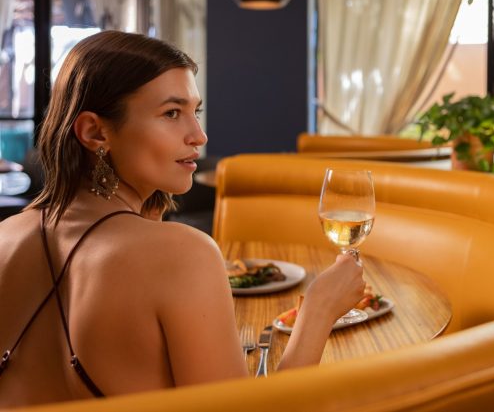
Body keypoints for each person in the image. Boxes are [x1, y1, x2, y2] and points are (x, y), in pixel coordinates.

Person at [0, 31, 366, 407]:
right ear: (95, 131)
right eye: (172, 113)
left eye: (196, 112)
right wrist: (319, 311)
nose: (199, 135)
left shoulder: (6, 237)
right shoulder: (182, 255)